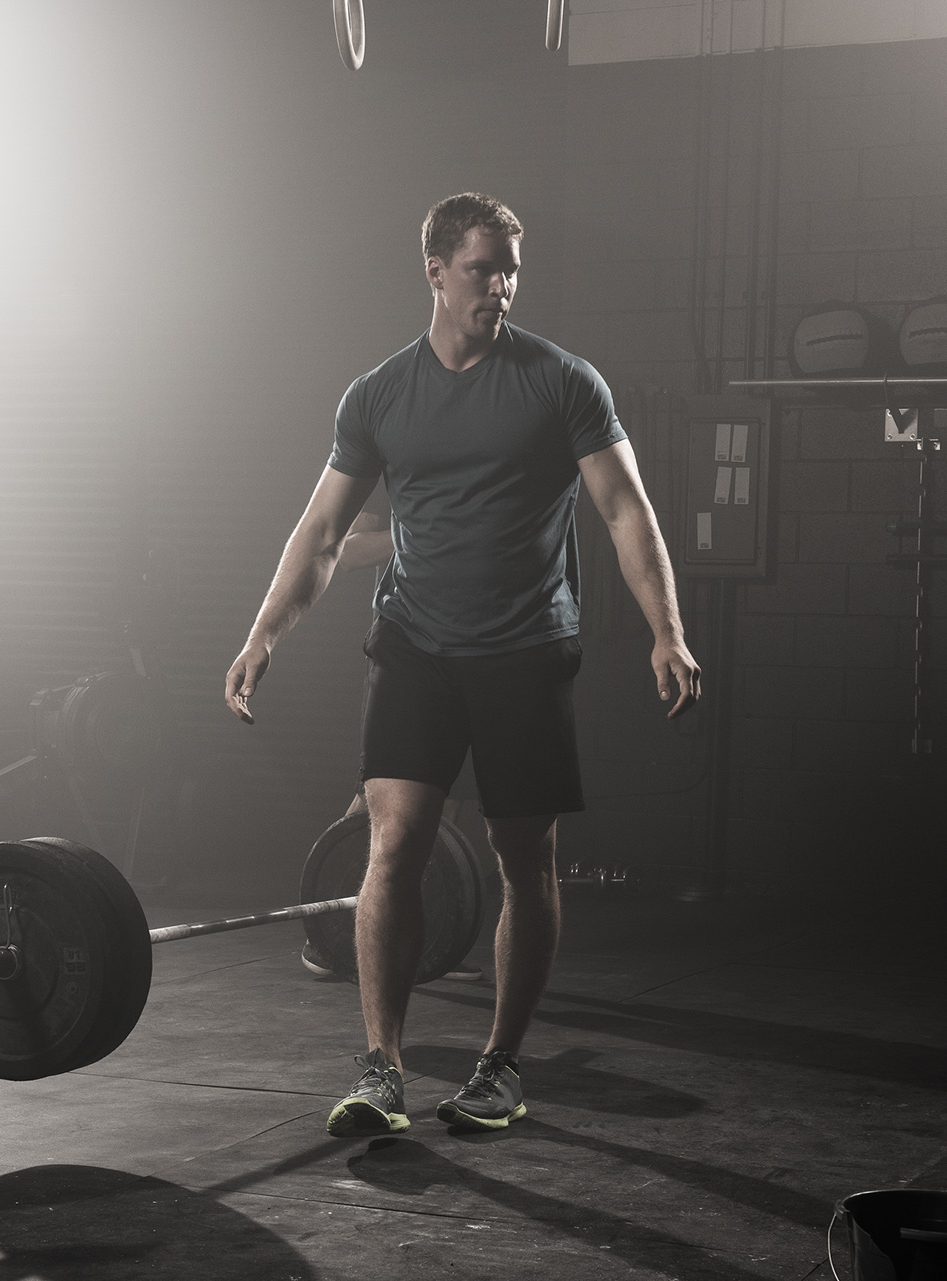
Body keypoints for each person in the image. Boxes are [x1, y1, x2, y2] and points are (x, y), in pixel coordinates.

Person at [223, 193, 699, 1137]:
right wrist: (262, 634)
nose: (502, 286)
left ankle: (500, 1066)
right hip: (415, 647)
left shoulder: (562, 382)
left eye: (511, 270)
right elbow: (323, 532)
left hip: (526, 651)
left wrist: (667, 630)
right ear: (436, 271)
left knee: (526, 858)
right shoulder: (380, 395)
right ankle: (381, 1068)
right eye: (484, 268)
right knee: (392, 842)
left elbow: (624, 511)